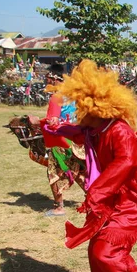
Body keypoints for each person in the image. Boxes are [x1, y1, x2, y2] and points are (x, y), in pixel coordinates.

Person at [43, 60, 137, 272]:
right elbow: (77, 132)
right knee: (95, 251)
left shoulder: (119, 131)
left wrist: (96, 193)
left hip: (129, 201)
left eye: (82, 108)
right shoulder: (96, 128)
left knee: (106, 252)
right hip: (108, 201)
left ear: (98, 106)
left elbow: (126, 162)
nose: (79, 113)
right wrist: (53, 126)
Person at [44, 63, 86, 217]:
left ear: (55, 79)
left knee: (54, 173)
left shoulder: (56, 97)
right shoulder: (75, 95)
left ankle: (59, 207)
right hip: (78, 140)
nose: (47, 81)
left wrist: (43, 123)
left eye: (48, 78)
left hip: (61, 142)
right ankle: (93, 201)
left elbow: (53, 121)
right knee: (81, 171)